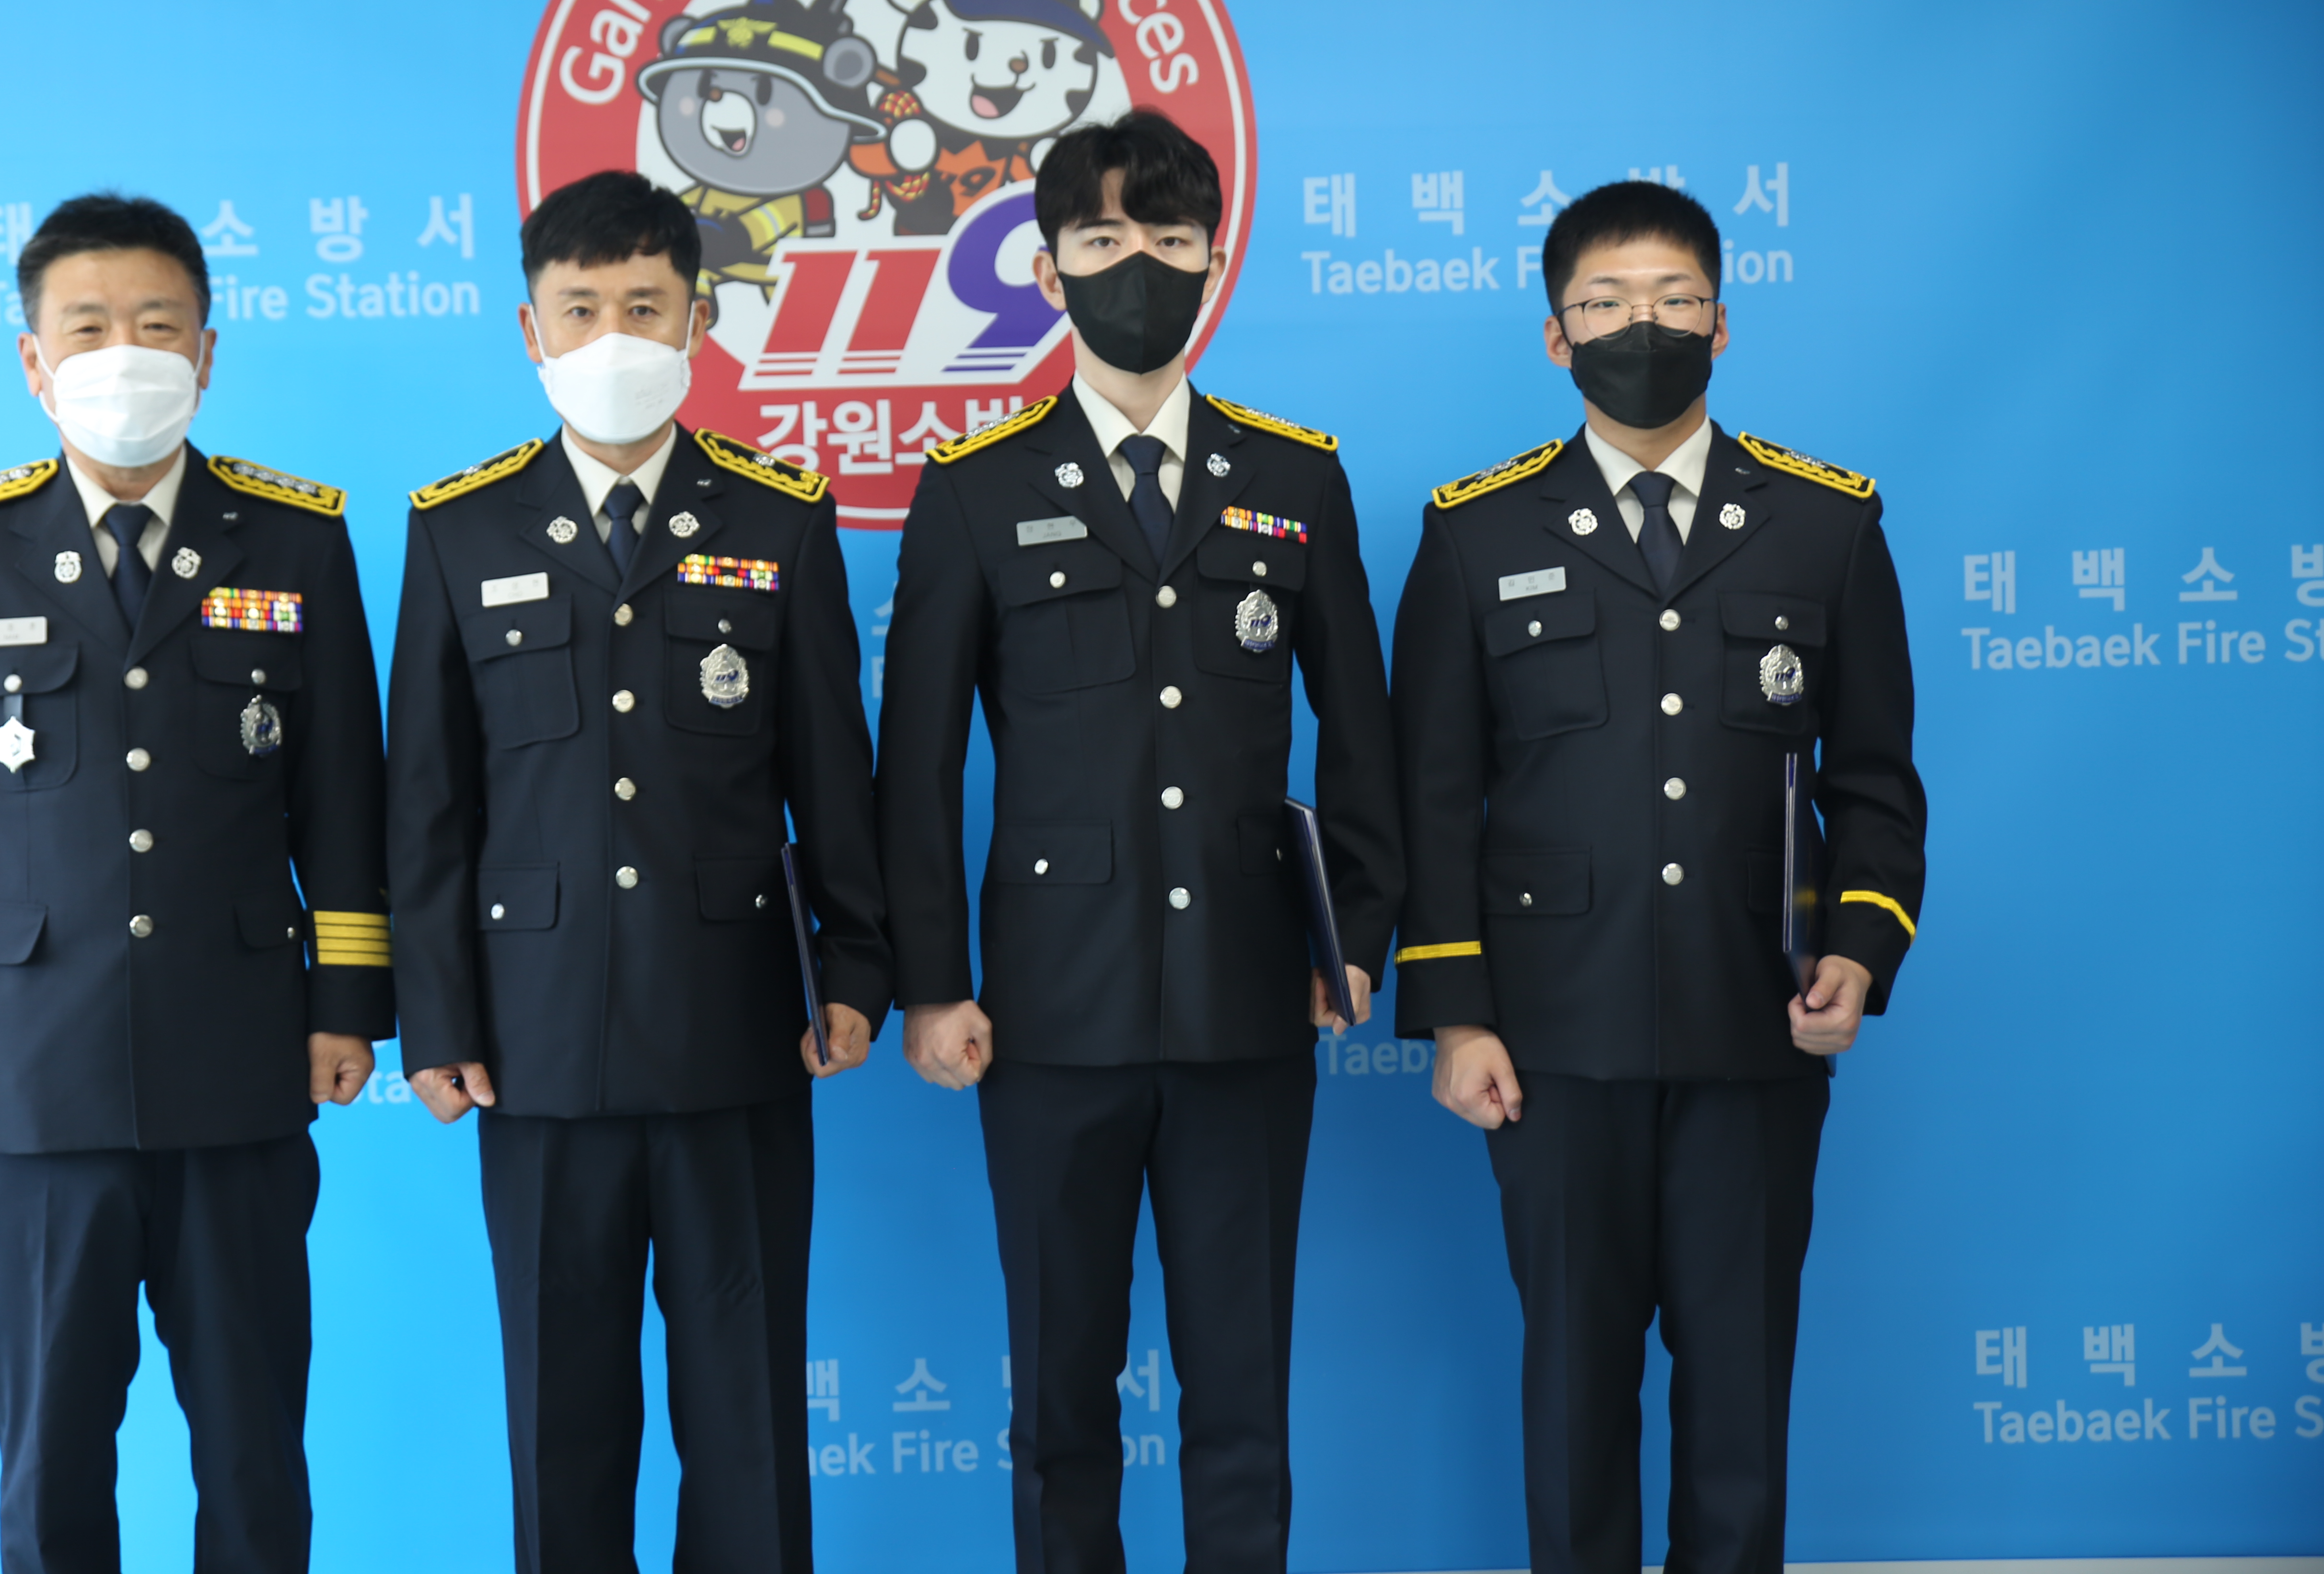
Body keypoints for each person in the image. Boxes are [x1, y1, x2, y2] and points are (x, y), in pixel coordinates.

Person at [874, 109, 1404, 1574]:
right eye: (1104, 237)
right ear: (1048, 270)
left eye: (1172, 239)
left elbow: (1365, 738)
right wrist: (934, 983)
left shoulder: (1295, 480)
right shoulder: (974, 489)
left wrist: (1355, 937)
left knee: (1243, 1395)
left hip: (1249, 1005)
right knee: (1060, 1402)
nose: (1140, 266)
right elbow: (916, 766)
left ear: (1214, 264)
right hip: (1048, 1019)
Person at [1388, 179, 1928, 1574]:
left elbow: (1876, 781)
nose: (1645, 326)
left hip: (1759, 1028)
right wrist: (1457, 1016)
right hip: (1553, 1046)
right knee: (1574, 1394)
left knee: (1741, 1395)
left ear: (1723, 325)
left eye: (1676, 300)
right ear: (1557, 337)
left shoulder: (1826, 523)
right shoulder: (1477, 532)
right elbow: (1432, 801)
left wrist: (1859, 951)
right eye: (1608, 303)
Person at [0, 193, 391, 1572]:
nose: (124, 354)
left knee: (256, 1456)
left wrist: (349, 1001)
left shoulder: (295, 539)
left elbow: (345, 797)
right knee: (51, 1461)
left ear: (206, 352)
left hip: (240, 1068)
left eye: (157, 326)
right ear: (33, 362)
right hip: (34, 1080)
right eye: (87, 328)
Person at [386, 169, 891, 1574]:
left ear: (698, 322)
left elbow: (829, 773)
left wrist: (857, 966)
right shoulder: (461, 525)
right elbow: (428, 804)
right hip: (532, 1050)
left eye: (646, 307)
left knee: (747, 1418)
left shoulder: (781, 517)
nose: (614, 335)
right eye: (582, 308)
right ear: (532, 330)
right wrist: (435, 1020)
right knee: (564, 1418)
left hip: (738, 1031)